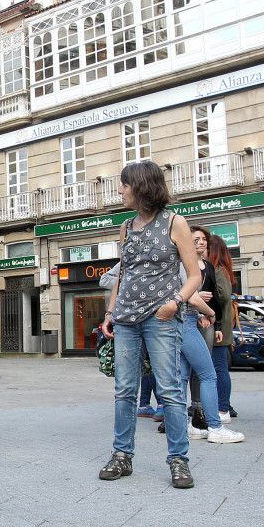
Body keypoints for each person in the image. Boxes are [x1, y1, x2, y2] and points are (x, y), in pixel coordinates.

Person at [98, 161, 201, 489]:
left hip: (161, 318)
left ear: (141, 186)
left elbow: (195, 274)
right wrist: (110, 313)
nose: (120, 190)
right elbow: (123, 274)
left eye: (124, 184)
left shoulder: (175, 223)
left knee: (169, 390)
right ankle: (122, 455)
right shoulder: (126, 227)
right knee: (124, 390)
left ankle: (178, 460)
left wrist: (176, 303)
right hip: (126, 319)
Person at [178, 231, 244, 444]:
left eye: (203, 239)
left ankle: (183, 426)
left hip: (184, 322)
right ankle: (215, 427)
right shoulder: (183, 265)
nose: (200, 243)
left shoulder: (191, 264)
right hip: (187, 322)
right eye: (194, 239)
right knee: (208, 374)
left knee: (182, 377)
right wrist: (211, 313)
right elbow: (193, 298)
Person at [207, 233, 237, 422]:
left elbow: (224, 296)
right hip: (218, 327)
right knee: (217, 368)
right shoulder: (219, 269)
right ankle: (222, 405)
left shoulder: (218, 269)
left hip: (219, 328)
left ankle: (223, 408)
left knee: (219, 368)